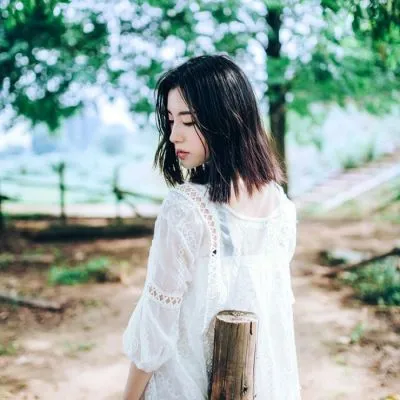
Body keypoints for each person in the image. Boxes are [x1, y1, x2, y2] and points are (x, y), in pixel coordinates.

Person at [122, 54, 301, 399]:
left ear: (227, 119)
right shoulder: (281, 207)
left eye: (188, 121)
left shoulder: (185, 209)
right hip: (261, 387)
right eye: (170, 120)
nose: (174, 135)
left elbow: (156, 326)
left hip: (184, 387)